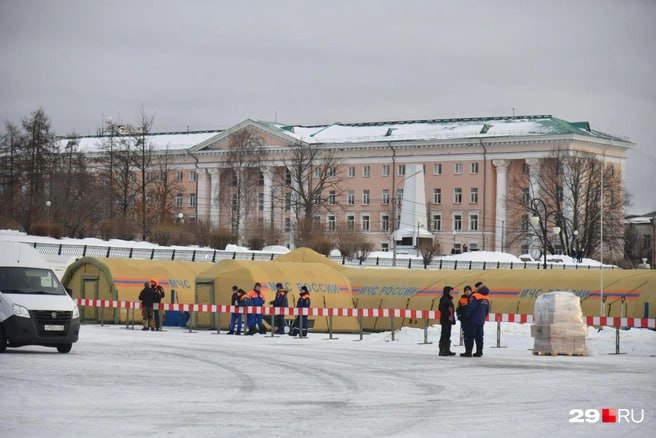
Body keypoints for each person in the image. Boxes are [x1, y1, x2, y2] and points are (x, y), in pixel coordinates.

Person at [461, 282, 491, 357]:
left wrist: (466, 316)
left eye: (476, 287)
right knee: (479, 337)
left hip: (473, 320)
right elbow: (487, 311)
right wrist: (483, 318)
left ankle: (468, 352)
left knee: (470, 336)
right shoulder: (486, 298)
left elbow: (471, 308)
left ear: (479, 288)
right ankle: (479, 352)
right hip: (481, 321)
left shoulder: (475, 296)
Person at [438, 286, 456, 356]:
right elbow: (441, 308)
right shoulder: (443, 299)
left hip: (449, 320)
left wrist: (452, 318)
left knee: (448, 334)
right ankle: (442, 350)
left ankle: (447, 349)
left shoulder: (449, 299)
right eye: (450, 292)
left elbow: (451, 310)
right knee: (444, 334)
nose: (452, 293)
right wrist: (448, 315)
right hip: (445, 319)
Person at [457, 285, 473, 355]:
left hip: (472, 320)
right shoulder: (461, 299)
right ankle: (467, 351)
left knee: (471, 336)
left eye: (469, 290)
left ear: (471, 291)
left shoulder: (474, 298)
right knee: (466, 335)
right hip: (464, 320)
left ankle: (471, 351)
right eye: (466, 291)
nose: (467, 292)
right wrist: (459, 316)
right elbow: (458, 309)